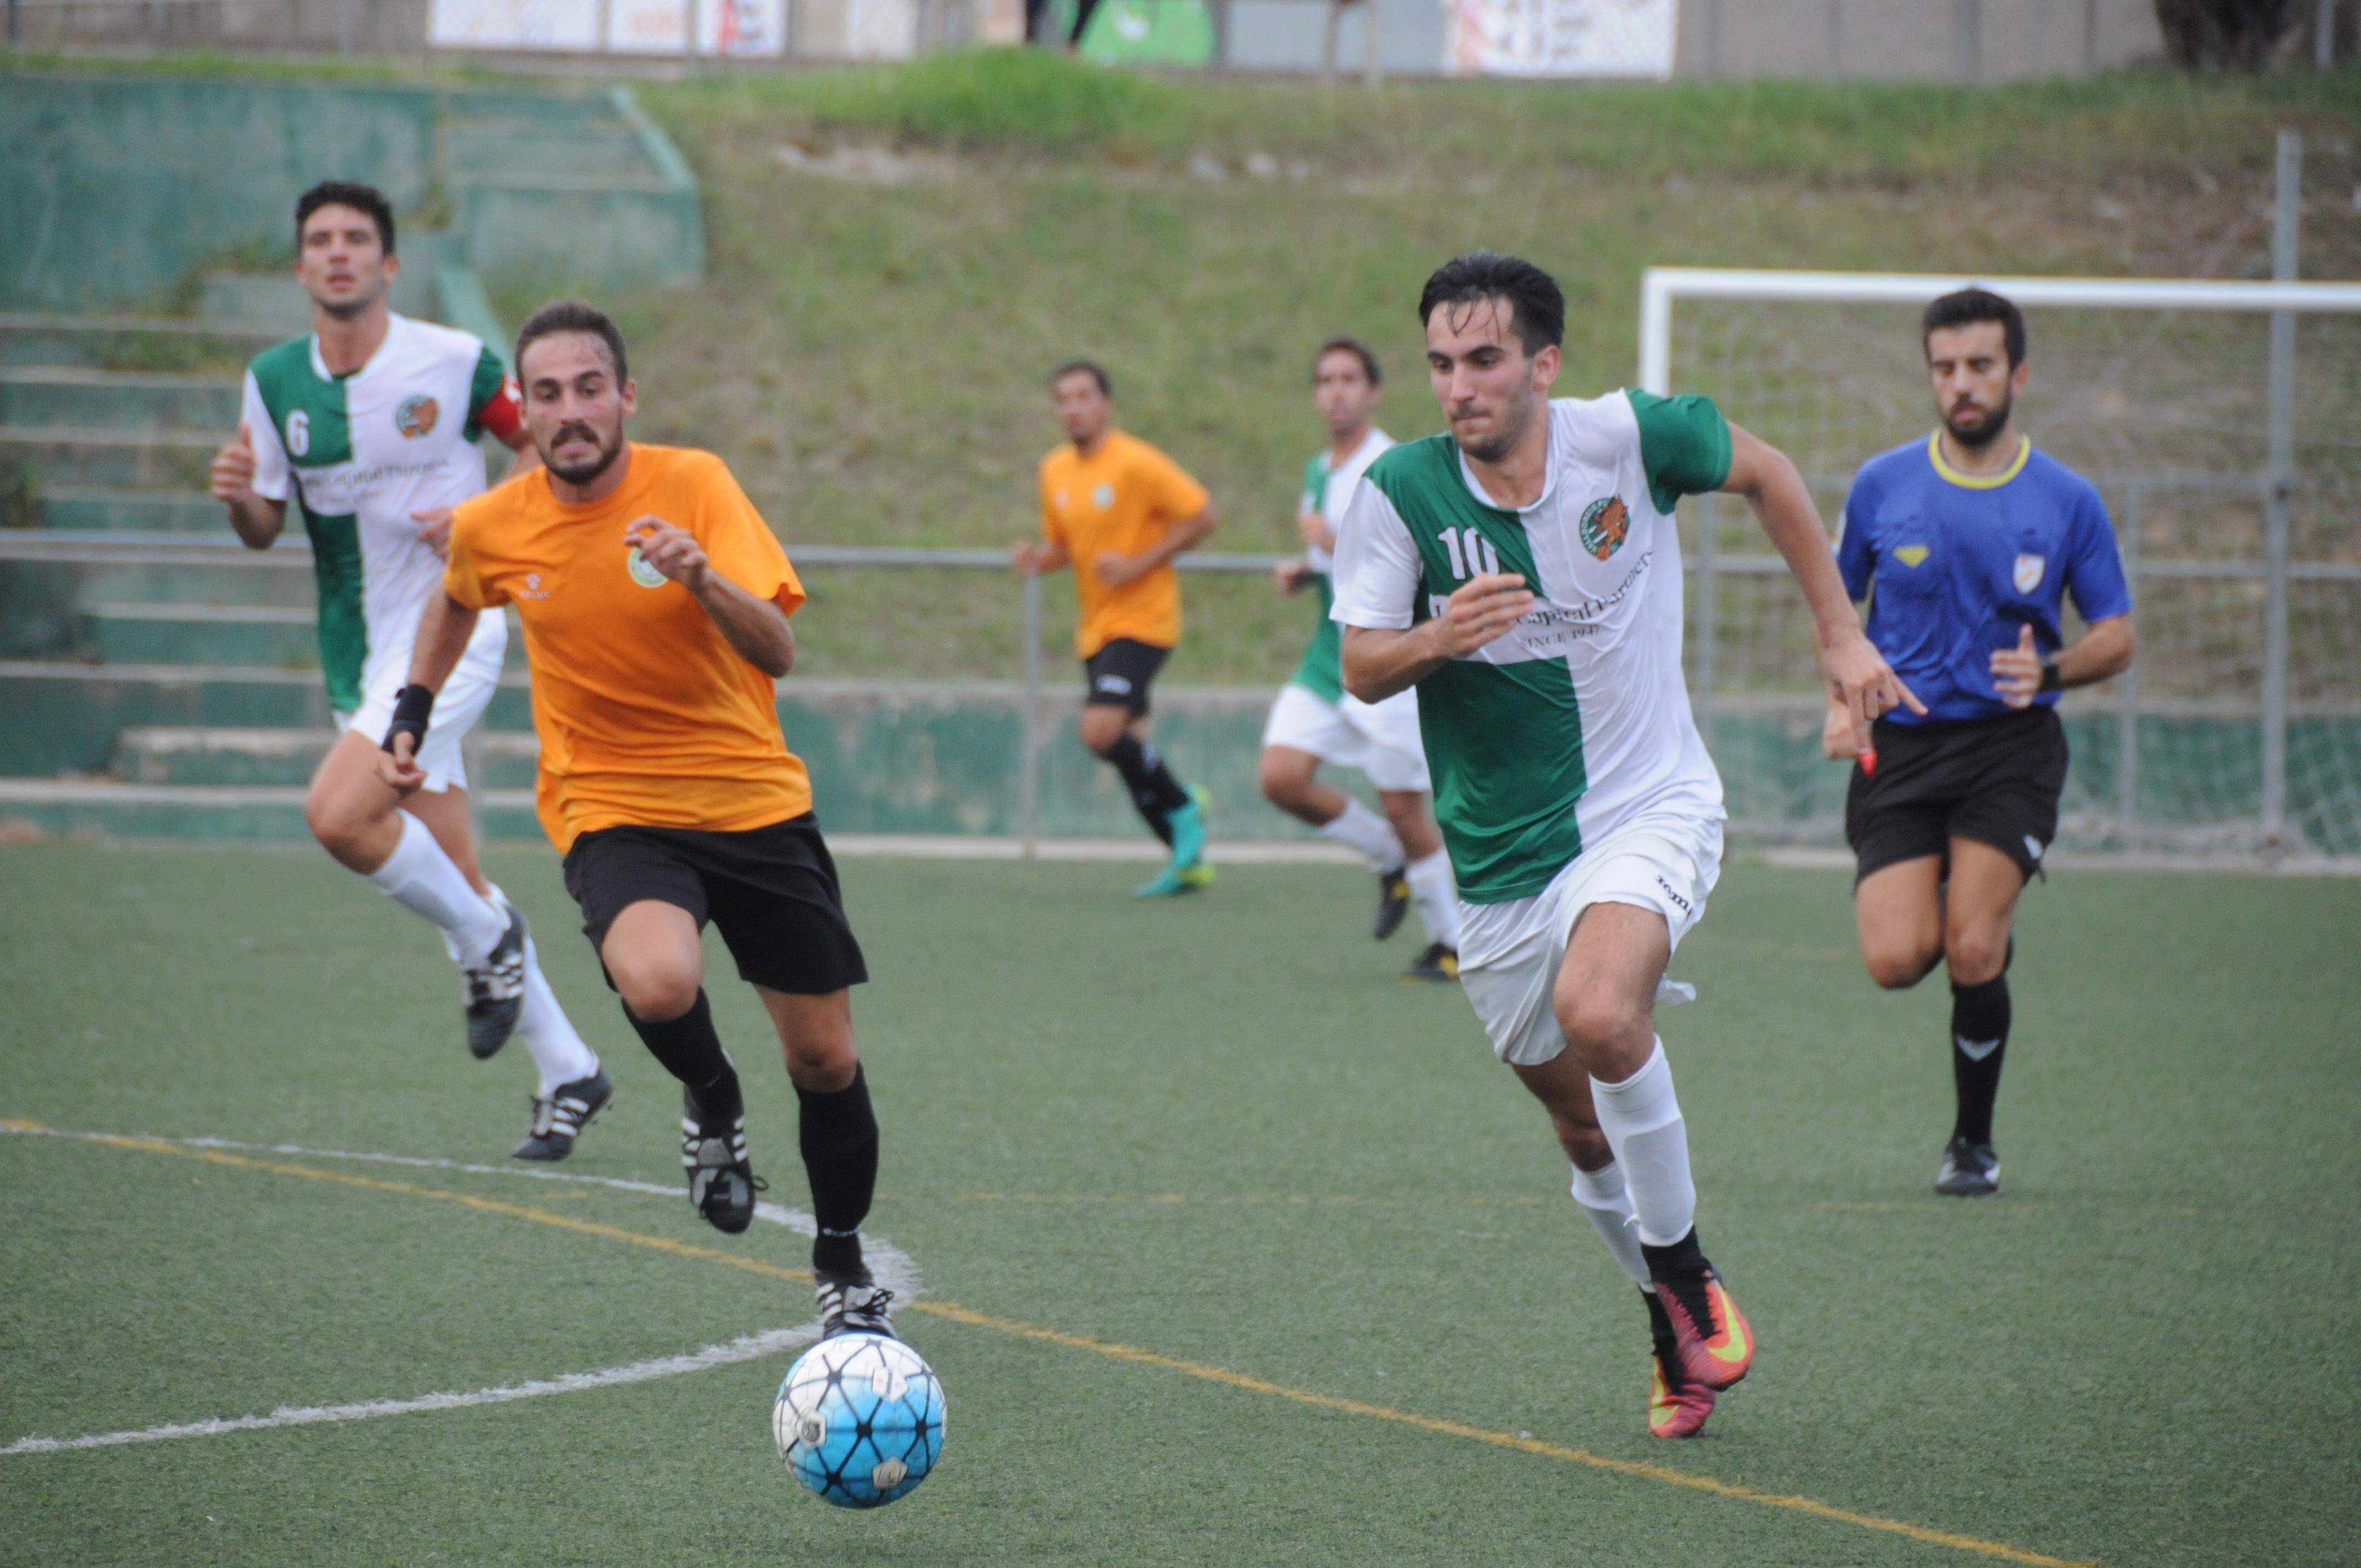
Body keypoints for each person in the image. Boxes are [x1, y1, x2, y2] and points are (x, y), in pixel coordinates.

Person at [1331, 252, 1916, 1439]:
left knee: (1601, 1013)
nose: (1458, 387)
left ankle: (1687, 1269)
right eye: (1442, 363)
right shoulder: (1397, 491)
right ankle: (1663, 1312)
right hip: (1498, 860)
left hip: (1648, 801)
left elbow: (1769, 471)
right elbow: (1358, 662)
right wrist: (1438, 636)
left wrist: (1838, 637)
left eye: (1484, 360)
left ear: (1543, 364)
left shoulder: (1628, 438)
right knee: (1576, 1121)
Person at [378, 300, 891, 1338]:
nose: (570, 412)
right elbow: (458, 594)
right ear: (525, 411)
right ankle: (711, 1095)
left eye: (589, 388)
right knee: (658, 980)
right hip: (611, 807)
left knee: (826, 1061)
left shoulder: (694, 484)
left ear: (625, 396)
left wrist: (701, 573)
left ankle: (840, 1257)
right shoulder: (499, 521)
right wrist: (412, 711)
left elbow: (778, 651)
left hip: (752, 802)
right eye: (548, 394)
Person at [209, 180, 606, 1162]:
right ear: (299, 267)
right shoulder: (271, 380)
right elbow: (263, 525)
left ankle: (488, 943)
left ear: (388, 264)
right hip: (358, 648)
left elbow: (546, 452)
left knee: (339, 814)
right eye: (319, 240)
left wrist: (485, 523)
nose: (338, 253)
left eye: (356, 239)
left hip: (452, 630)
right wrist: (235, 499)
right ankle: (569, 1069)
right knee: (455, 871)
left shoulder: (454, 361)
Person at [1827, 287, 2135, 1199]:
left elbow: (2116, 633)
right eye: (1944, 367)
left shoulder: (2064, 498)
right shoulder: (1882, 485)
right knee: (1893, 961)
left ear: (2016, 374)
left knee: (1969, 950)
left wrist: (2049, 672)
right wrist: (1841, 700)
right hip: (1904, 750)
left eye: (1979, 366)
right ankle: (1971, 904)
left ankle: (1971, 1143)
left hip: (2010, 748)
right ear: (1929, 374)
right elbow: (1833, 609)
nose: (1960, 385)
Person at [1260, 337, 1460, 980]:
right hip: (1327, 653)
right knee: (1280, 777)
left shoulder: (1391, 467)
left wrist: (1336, 541)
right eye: (1325, 380)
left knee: (1406, 808)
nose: (1336, 390)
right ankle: (1388, 858)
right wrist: (1307, 570)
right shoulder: (1320, 469)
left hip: (1379, 659)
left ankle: (1452, 943)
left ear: (1373, 392)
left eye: (1349, 379)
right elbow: (1342, 569)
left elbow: (1408, 561)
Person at [1012, 361, 1218, 896]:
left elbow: (1201, 515)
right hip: (1095, 628)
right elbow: (1064, 546)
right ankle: (1185, 861)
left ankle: (1183, 805)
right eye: (1063, 399)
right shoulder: (1054, 470)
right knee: (1126, 746)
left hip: (1144, 621)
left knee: (1099, 731)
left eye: (1084, 396)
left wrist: (1137, 565)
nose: (1073, 408)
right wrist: (1039, 558)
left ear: (1105, 404)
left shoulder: (1136, 463)